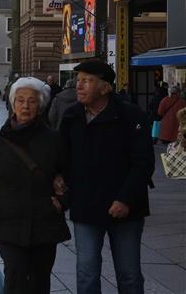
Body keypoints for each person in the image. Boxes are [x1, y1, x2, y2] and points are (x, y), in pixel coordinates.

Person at [59, 59, 155, 294]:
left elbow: (143, 163)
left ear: (105, 87)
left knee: (129, 274)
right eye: (78, 80)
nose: (79, 86)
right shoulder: (72, 117)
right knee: (86, 272)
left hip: (125, 208)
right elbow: (61, 159)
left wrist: (125, 199)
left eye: (87, 81)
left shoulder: (131, 116)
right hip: (86, 207)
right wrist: (60, 185)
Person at [0, 77, 70, 294]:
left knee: (39, 280)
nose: (25, 106)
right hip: (9, 223)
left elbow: (70, 175)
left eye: (32, 101)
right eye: (20, 100)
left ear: (40, 105)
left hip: (45, 222)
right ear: (12, 103)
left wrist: (62, 201)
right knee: (14, 277)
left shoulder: (54, 139)